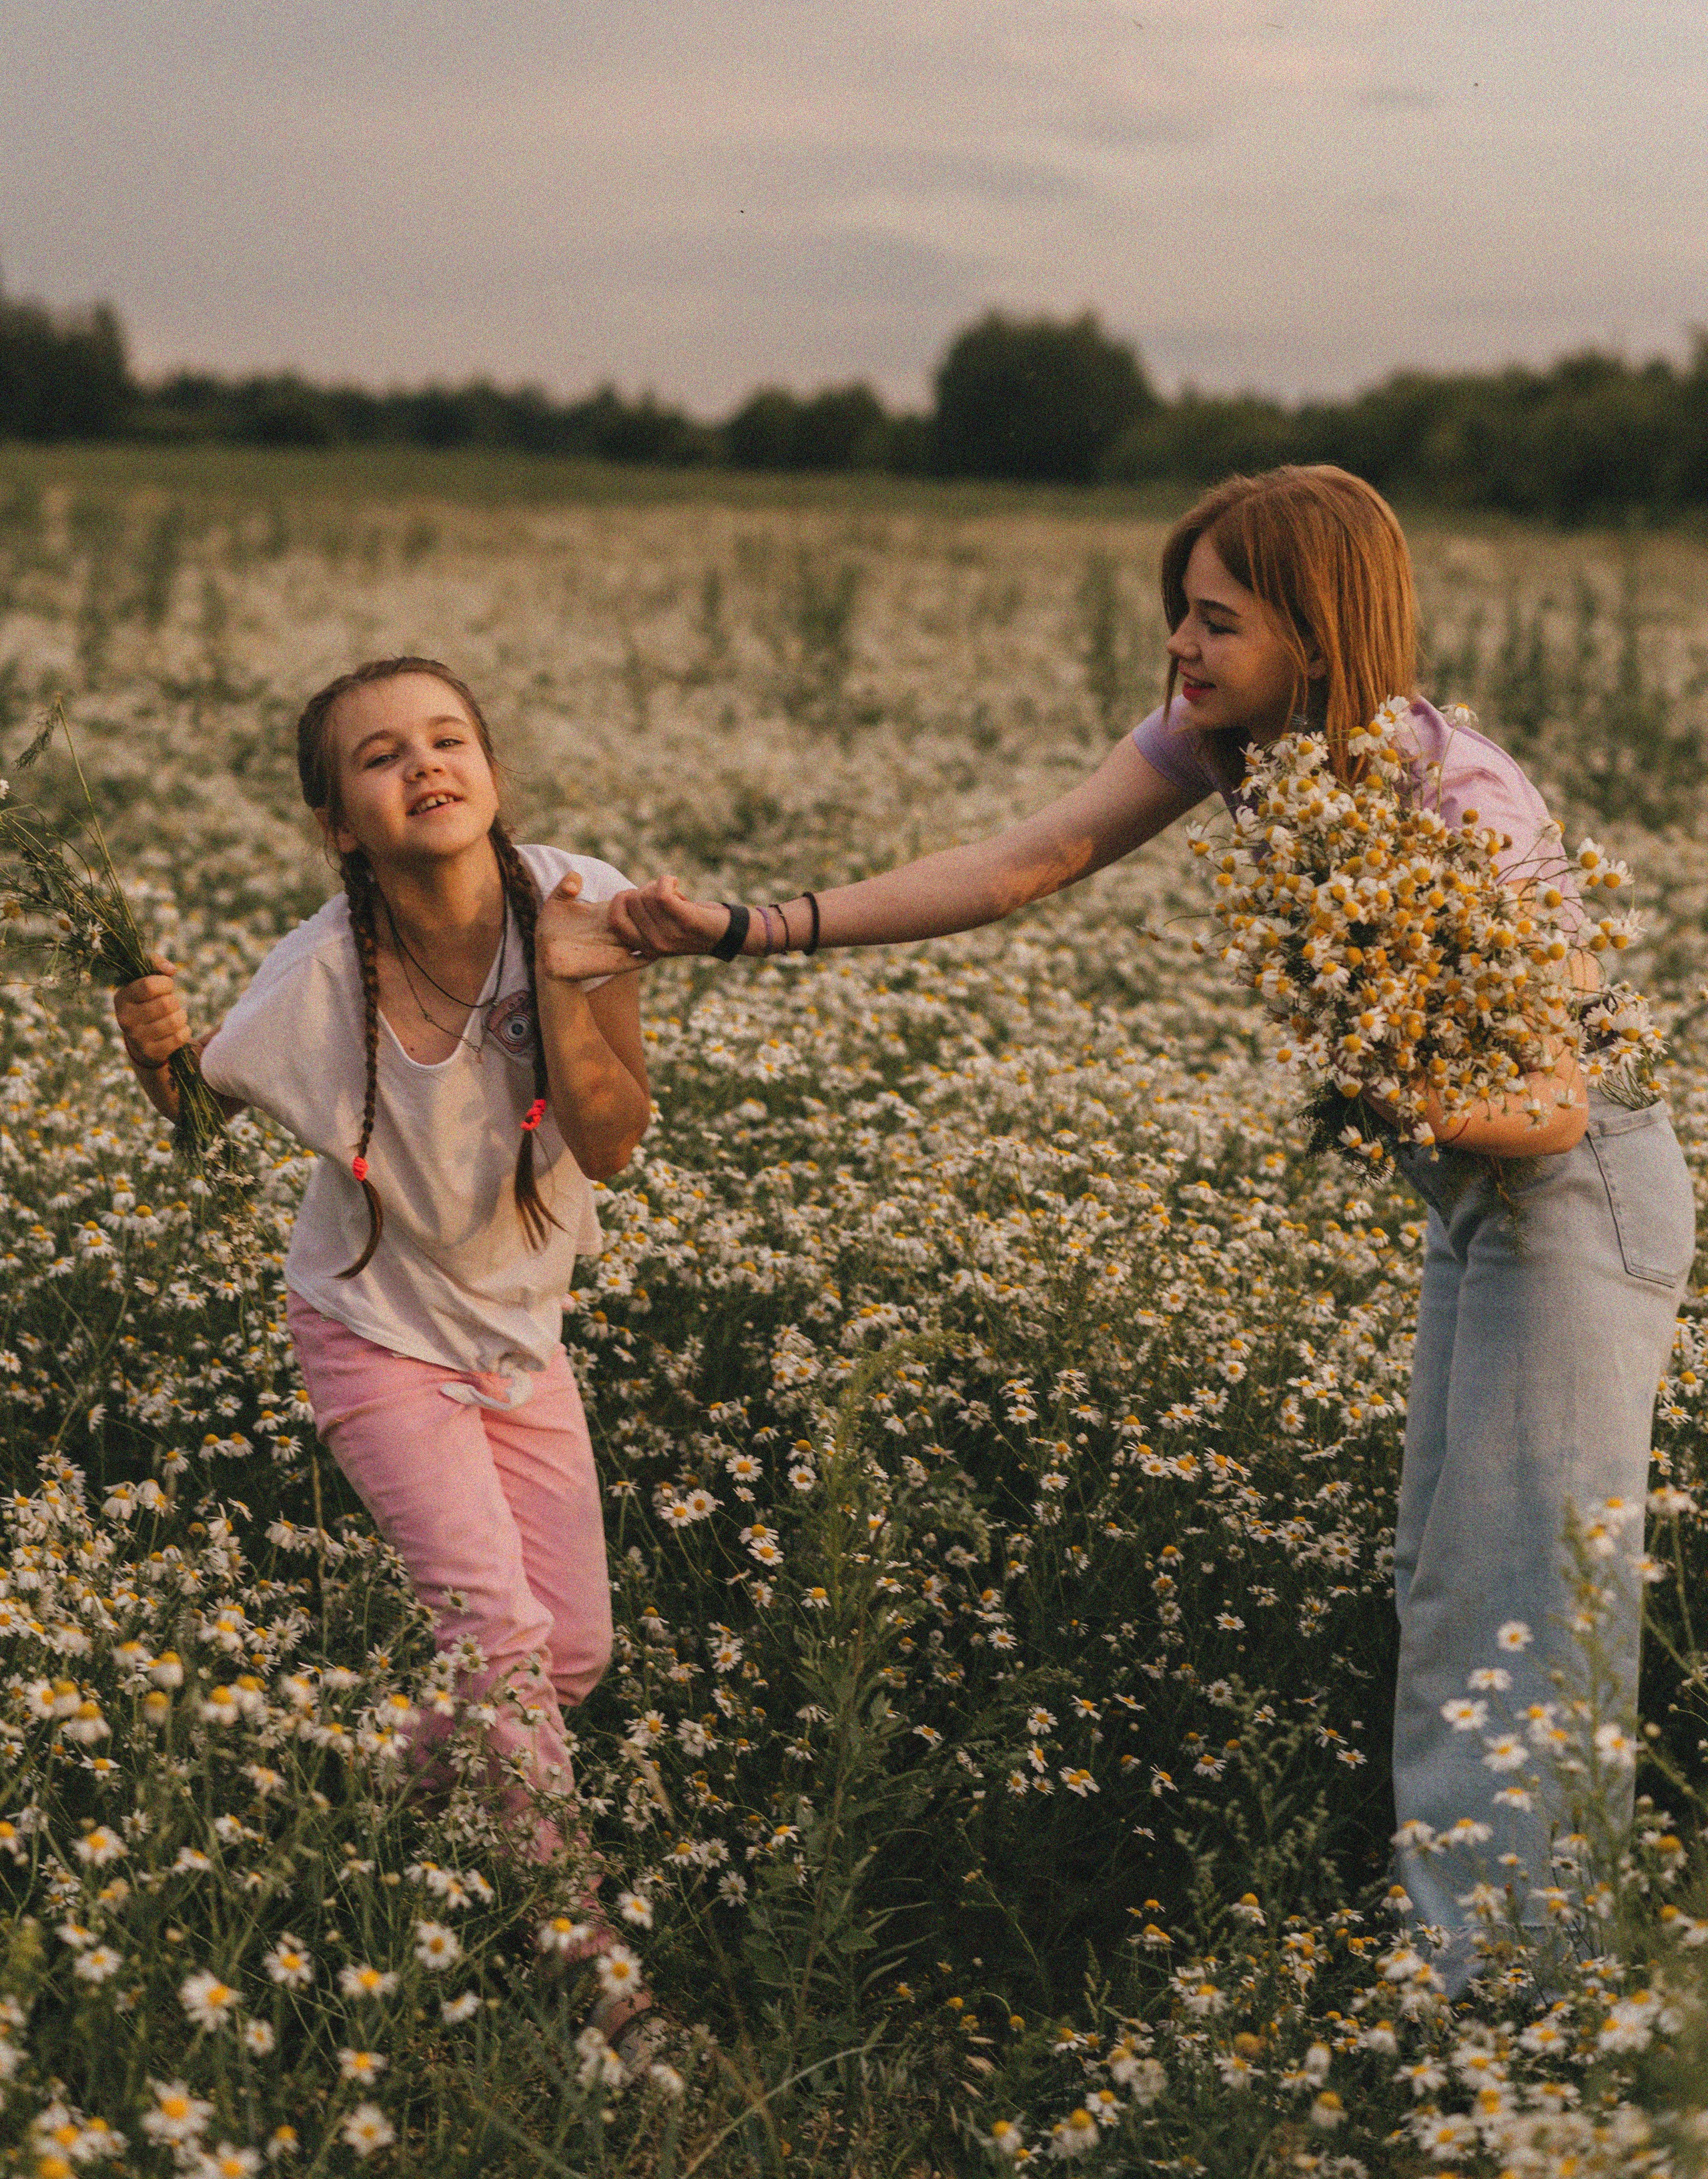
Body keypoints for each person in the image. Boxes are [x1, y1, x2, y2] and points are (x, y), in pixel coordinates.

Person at [608, 465, 1695, 1998]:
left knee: (1521, 1599)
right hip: (1480, 1199)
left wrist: (1385, 1083)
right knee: (1451, 1585)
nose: (1178, 650)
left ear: (1311, 633)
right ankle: (1472, 1971)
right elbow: (1013, 866)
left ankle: (1518, 2004)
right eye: (1175, 613)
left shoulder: (1454, 794)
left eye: (1212, 619)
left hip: (1568, 1195)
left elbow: (1553, 1102)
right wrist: (743, 927)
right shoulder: (1230, 749)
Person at [113, 655, 653, 2036]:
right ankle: (592, 1974)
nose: (424, 764)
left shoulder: (581, 901)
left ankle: (365, 1788)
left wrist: (576, 987)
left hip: (518, 1328)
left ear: (489, 770)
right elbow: (197, 1118)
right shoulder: (314, 979)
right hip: (372, 1329)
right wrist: (154, 1048)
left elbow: (609, 1139)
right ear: (340, 824)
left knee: (568, 1656)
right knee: (504, 1650)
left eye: (447, 736)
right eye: (379, 756)